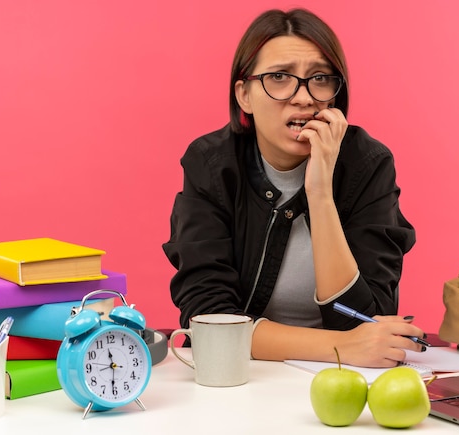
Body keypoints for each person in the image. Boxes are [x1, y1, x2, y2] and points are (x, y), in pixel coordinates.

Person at [162, 8, 424, 368]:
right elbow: (210, 321)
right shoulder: (212, 165)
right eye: (280, 77)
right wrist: (340, 347)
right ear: (245, 95)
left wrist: (320, 194)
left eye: (319, 78)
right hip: (247, 375)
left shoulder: (367, 164)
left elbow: (367, 319)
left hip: (343, 379)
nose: (304, 97)